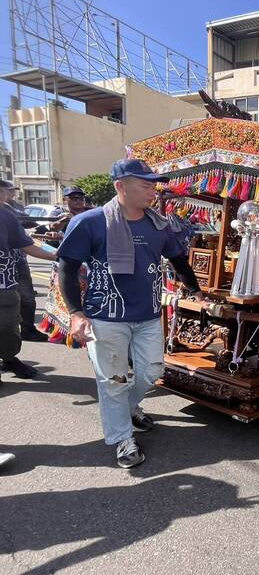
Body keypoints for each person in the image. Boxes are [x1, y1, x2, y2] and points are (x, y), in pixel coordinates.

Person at [58, 159, 203, 469]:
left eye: (153, 184)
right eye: (145, 184)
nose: (153, 191)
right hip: (105, 317)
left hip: (148, 314)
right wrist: (75, 312)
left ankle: (127, 406)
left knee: (152, 371)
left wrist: (196, 289)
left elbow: (178, 260)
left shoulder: (158, 224)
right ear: (120, 186)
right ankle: (123, 438)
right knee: (113, 379)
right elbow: (67, 269)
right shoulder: (89, 222)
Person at [0, 204, 57, 379]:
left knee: (8, 327)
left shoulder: (5, 215)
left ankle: (9, 357)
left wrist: (60, 254)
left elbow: (28, 244)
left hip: (5, 284)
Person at [0, 180, 49, 342]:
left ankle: (23, 335)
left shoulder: (9, 212)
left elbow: (26, 240)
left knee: (24, 301)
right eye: (7, 190)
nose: (10, 193)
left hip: (12, 267)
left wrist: (58, 255)